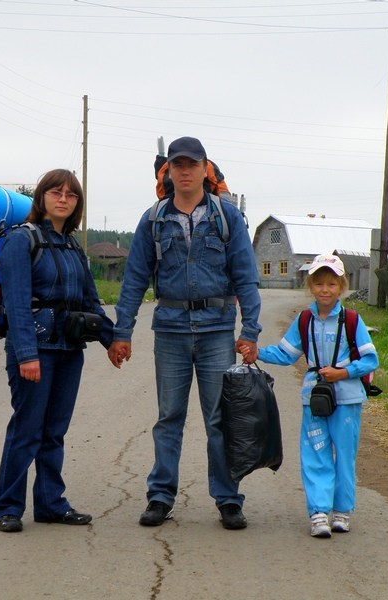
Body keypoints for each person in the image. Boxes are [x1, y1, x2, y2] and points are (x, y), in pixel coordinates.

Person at [107, 136, 261, 530]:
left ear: (205, 169)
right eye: (178, 164)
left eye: (193, 164)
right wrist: (122, 332)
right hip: (171, 331)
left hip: (216, 330)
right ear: (170, 170)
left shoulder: (226, 217)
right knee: (169, 418)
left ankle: (228, 499)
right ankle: (160, 497)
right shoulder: (153, 219)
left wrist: (251, 331)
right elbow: (134, 279)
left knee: (219, 419)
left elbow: (246, 277)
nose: (185, 170)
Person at [0, 168, 114, 533]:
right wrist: (27, 355)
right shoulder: (22, 240)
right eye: (56, 192)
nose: (63, 199)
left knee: (54, 431)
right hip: (36, 349)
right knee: (27, 430)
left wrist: (112, 340)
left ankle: (50, 504)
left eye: (71, 194)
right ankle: (8, 508)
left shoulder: (73, 246)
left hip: (69, 350)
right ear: (42, 197)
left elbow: (90, 300)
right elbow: (16, 303)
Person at [241, 254, 378, 538]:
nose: (325, 290)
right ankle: (318, 513)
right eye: (319, 284)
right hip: (314, 399)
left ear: (341, 287)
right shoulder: (304, 320)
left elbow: (370, 360)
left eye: (331, 284)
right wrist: (257, 353)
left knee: (344, 455)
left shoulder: (352, 320)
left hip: (347, 399)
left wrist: (342, 372)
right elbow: (286, 353)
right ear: (311, 286)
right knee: (315, 453)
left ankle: (341, 512)